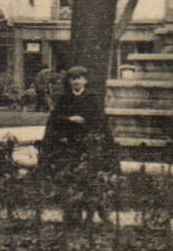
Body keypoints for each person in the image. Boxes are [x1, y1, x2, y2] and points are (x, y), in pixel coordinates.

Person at [39, 66, 116, 224]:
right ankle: (72, 215)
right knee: (69, 179)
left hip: (87, 144)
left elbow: (99, 120)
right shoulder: (64, 99)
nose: (76, 81)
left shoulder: (92, 98)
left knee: (89, 178)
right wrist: (69, 120)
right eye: (73, 78)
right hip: (69, 144)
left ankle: (94, 213)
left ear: (85, 81)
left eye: (79, 78)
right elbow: (54, 120)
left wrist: (86, 123)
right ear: (69, 81)